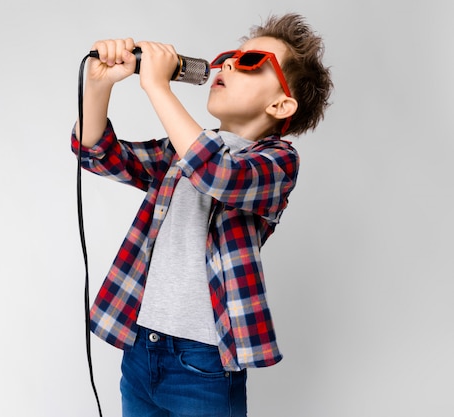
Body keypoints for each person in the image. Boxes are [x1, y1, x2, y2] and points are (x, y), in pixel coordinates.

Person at [71, 13, 333, 417]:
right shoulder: (181, 150)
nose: (226, 64)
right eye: (230, 56)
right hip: (142, 348)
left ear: (280, 103)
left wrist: (157, 86)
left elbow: (218, 173)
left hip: (203, 363)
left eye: (250, 63)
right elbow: (100, 155)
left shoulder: (277, 161)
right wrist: (98, 85)